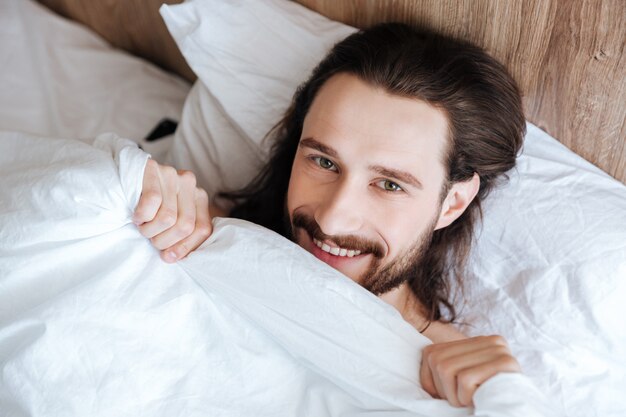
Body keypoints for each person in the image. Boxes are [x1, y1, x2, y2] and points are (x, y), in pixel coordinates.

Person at [132, 23, 526, 407]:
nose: (333, 221)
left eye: (389, 184)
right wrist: (136, 184)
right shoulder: (196, 232)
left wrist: (508, 400)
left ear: (452, 203)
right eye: (323, 161)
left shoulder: (454, 380)